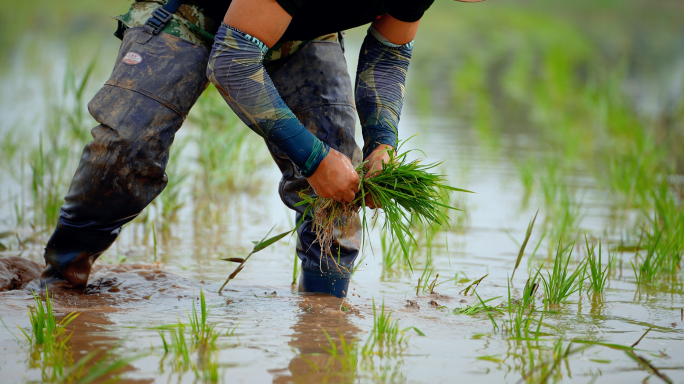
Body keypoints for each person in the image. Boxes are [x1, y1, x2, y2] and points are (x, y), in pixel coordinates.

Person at [40, 0, 448, 298]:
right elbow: (233, 62)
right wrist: (314, 160)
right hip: (192, 12)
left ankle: (324, 314)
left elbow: (389, 54)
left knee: (343, 174)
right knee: (127, 146)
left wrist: (382, 143)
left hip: (297, 30)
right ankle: (60, 282)